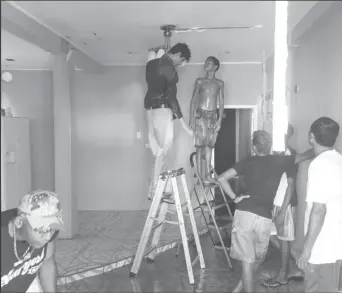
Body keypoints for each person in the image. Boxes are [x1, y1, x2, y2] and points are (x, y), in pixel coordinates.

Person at [217, 130, 314, 293]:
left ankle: (241, 288)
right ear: (269, 146)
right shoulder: (280, 161)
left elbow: (221, 178)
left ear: (254, 147)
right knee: (255, 260)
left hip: (245, 213)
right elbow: (306, 155)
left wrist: (235, 197)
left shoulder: (247, 162)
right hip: (264, 217)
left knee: (248, 262)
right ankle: (239, 289)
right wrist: (317, 142)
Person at [296, 117, 342, 293]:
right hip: (337, 244)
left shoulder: (318, 165)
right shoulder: (339, 160)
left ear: (311, 137)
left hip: (322, 247)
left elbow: (318, 210)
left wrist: (306, 251)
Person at [144, 43, 194, 200]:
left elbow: (153, 60)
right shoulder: (170, 70)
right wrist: (185, 126)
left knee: (159, 152)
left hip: (149, 111)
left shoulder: (151, 64)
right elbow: (172, 98)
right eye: (182, 61)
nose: (180, 64)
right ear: (178, 54)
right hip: (162, 111)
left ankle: (158, 187)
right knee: (163, 151)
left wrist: (157, 52)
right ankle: (154, 191)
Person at [263, 124, 304, 288]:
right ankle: (292, 265)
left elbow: (291, 186)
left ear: (288, 135)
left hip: (283, 205)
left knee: (283, 239)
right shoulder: (276, 154)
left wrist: (282, 211)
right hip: (276, 203)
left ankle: (282, 276)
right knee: (273, 236)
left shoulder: (291, 157)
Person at [1, 190, 63, 292]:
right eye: (41, 230)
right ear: (19, 222)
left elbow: (47, 261)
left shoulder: (49, 228)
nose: (48, 237)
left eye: (52, 228)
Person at [189, 56, 224, 184]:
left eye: (209, 63)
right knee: (199, 146)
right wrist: (191, 119)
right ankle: (199, 176)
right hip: (200, 115)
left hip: (213, 116)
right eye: (206, 62)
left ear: (215, 67)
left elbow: (221, 102)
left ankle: (207, 175)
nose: (206, 64)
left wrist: (219, 120)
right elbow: (193, 101)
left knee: (209, 146)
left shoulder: (219, 83)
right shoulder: (199, 81)